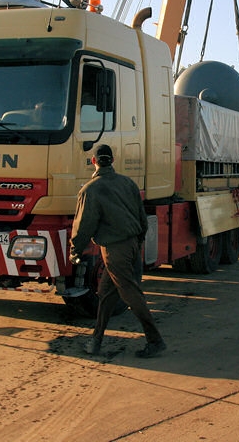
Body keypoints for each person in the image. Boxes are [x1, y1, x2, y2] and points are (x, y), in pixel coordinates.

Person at [70, 144, 166, 358]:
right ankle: (96, 341)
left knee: (130, 293)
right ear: (112, 160)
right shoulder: (128, 183)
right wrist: (137, 241)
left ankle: (155, 339)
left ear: (93, 162)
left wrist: (74, 251)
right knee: (106, 294)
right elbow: (142, 218)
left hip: (114, 250)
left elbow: (84, 225)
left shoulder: (91, 189)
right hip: (131, 244)